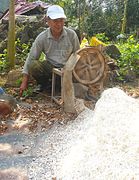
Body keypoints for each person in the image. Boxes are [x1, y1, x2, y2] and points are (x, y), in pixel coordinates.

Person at [19, 5, 80, 96]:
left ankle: (57, 86)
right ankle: (46, 85)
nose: (59, 24)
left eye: (61, 20)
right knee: (34, 65)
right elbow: (31, 57)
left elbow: (78, 55)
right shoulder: (42, 37)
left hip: (68, 70)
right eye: (55, 21)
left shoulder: (71, 35)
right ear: (48, 21)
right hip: (50, 69)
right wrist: (24, 82)